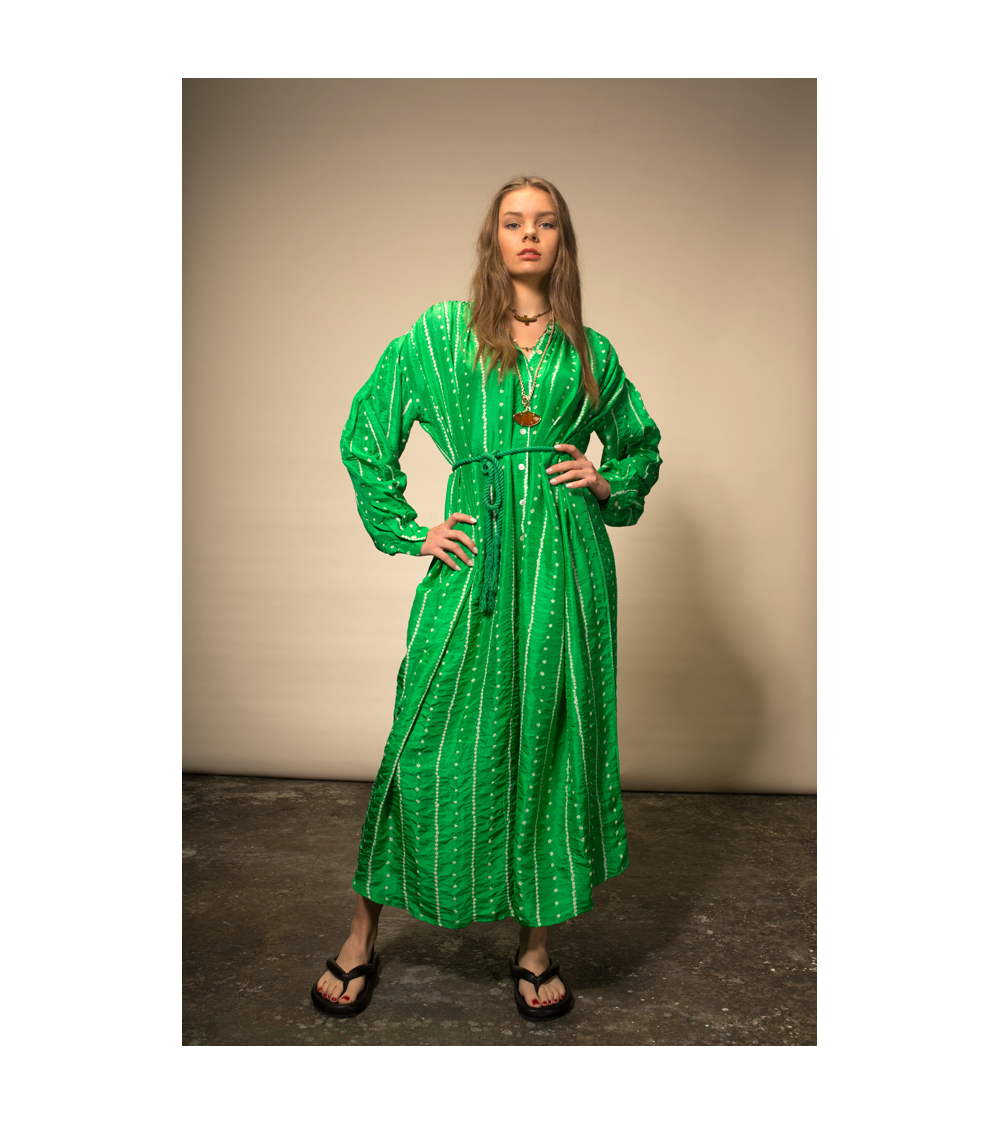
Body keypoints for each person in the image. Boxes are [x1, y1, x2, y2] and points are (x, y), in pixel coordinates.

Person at [312, 175, 662, 1021]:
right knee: (423, 738)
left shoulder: (590, 352)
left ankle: (535, 946)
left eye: (545, 222)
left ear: (562, 241)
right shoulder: (444, 334)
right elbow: (368, 430)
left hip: (564, 571)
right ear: (493, 238)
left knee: (549, 743)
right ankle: (361, 932)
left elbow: (640, 446)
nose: (529, 234)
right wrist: (411, 531)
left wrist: (605, 480)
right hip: (475, 563)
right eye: (513, 221)